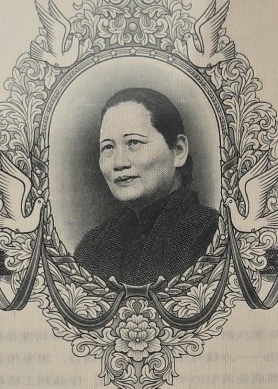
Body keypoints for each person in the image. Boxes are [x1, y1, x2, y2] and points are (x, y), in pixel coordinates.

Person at [74, 87, 220, 285]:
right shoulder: (91, 248)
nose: (119, 163)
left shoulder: (213, 235)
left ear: (178, 151)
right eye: (108, 147)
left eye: (133, 142)